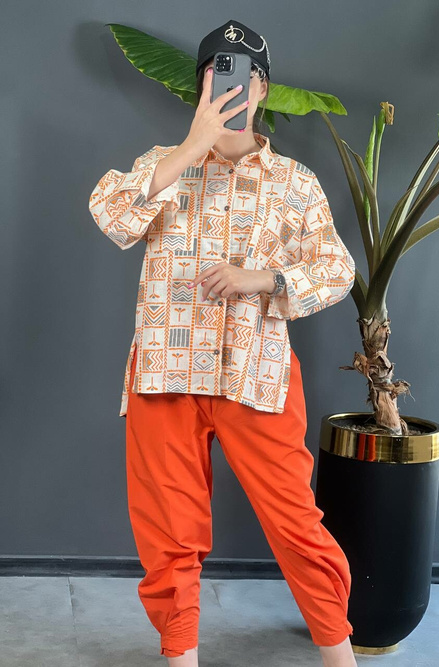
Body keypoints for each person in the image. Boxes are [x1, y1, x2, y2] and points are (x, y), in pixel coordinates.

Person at [89, 18, 357, 667]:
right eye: (215, 72)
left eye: (244, 75)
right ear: (201, 86)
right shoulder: (163, 164)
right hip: (165, 371)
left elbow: (337, 270)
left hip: (254, 372)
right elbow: (110, 215)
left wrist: (263, 279)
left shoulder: (294, 182)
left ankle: (339, 656)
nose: (230, 85)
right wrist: (192, 147)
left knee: (295, 523)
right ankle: (180, 655)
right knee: (168, 532)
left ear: (261, 89)